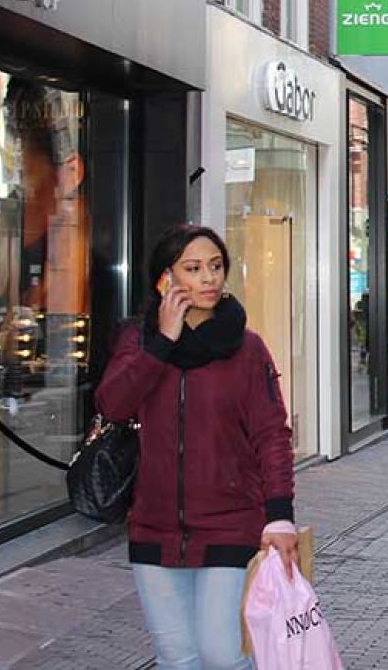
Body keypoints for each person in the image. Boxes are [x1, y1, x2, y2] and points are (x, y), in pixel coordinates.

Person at [94, 224, 295, 670]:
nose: (209, 278)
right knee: (176, 659)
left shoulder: (246, 349)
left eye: (216, 266)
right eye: (193, 268)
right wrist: (162, 343)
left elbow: (272, 435)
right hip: (154, 528)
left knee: (223, 655)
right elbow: (113, 404)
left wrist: (280, 514)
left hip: (230, 525)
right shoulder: (137, 340)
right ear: (165, 279)